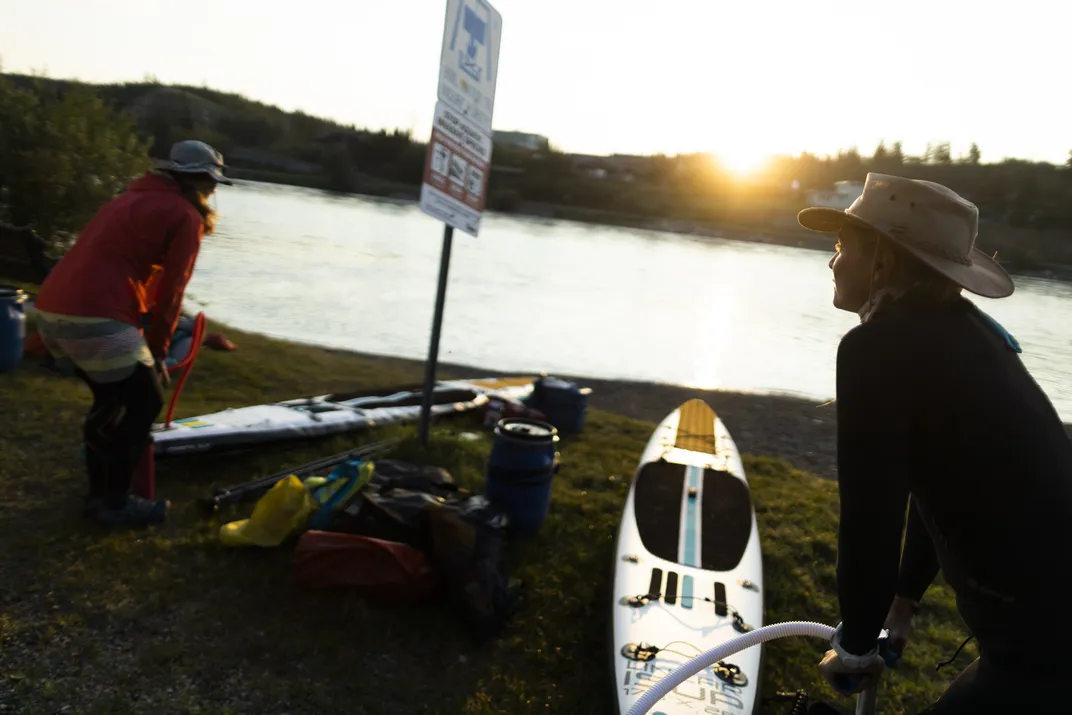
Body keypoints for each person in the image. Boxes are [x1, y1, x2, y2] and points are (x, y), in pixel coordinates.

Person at [797, 173, 1072, 713]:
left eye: (840, 246)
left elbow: (870, 520)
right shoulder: (966, 332)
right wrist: (903, 600)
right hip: (1040, 630)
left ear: (881, 257)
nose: (832, 262)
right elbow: (932, 475)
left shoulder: (876, 348)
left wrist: (853, 647)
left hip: (1042, 646)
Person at [34, 140, 232, 527]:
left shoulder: (128, 198)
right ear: (202, 181)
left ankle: (99, 496)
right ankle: (115, 502)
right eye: (213, 183)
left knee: (110, 403)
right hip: (96, 314)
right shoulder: (184, 215)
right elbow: (173, 291)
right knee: (143, 403)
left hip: (52, 307)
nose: (213, 191)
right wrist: (158, 351)